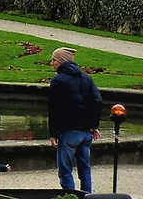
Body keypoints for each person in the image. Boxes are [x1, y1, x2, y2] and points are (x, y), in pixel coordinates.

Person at [48, 46, 102, 194]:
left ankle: (71, 197)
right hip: (86, 132)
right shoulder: (87, 79)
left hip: (69, 131)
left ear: (61, 61)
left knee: (65, 170)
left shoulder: (58, 81)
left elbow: (54, 109)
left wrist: (53, 133)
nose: (52, 63)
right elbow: (96, 102)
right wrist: (94, 125)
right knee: (85, 168)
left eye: (54, 60)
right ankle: (87, 195)